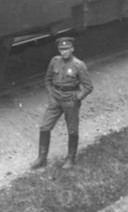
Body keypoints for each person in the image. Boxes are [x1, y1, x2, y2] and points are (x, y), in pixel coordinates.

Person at [30, 37, 93, 170]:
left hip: (70, 100)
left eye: (66, 49)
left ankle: (70, 158)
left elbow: (88, 86)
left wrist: (77, 98)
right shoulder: (54, 61)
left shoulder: (78, 65)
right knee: (44, 127)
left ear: (72, 49)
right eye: (61, 49)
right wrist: (51, 96)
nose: (63, 52)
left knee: (72, 129)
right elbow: (47, 80)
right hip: (56, 99)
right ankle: (41, 158)